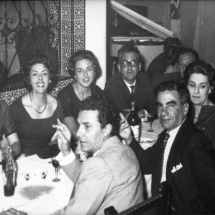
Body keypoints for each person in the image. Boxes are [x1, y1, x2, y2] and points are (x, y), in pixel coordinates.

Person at [123, 81, 215, 214]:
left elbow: (210, 195)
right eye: (160, 106)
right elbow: (147, 163)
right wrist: (129, 138)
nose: (163, 113)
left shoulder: (195, 142)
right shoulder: (166, 135)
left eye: (170, 106)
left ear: (184, 109)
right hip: (160, 206)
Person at [10, 55, 63, 157]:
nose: (40, 78)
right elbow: (6, 143)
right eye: (35, 74)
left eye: (44, 73)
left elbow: (57, 139)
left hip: (46, 159)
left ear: (50, 78)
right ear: (29, 79)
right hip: (22, 160)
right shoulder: (17, 107)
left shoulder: (57, 104)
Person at [58, 50, 103, 141]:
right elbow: (75, 132)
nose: (85, 75)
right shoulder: (65, 95)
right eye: (80, 71)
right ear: (74, 75)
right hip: (75, 145)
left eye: (89, 69)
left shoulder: (97, 92)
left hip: (95, 141)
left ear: (94, 72)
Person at [105, 41, 157, 115]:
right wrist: (143, 113)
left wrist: (143, 113)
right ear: (119, 67)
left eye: (133, 62)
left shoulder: (145, 80)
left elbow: (153, 108)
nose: (129, 67)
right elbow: (123, 114)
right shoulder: (112, 84)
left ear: (139, 66)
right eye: (125, 63)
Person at [184, 61, 215, 150]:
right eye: (192, 85)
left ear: (210, 89)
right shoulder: (186, 111)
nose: (196, 91)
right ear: (187, 86)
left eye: (202, 86)